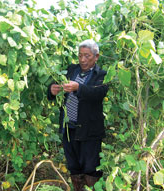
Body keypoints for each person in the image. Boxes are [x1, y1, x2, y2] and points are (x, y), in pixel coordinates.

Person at [47, 39, 108, 191]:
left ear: (96, 56)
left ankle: (91, 188)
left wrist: (78, 87)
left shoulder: (101, 75)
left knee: (90, 166)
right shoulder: (71, 69)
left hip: (90, 130)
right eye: (80, 55)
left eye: (87, 56)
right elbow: (56, 85)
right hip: (69, 128)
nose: (82, 59)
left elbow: (98, 93)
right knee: (74, 165)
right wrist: (52, 90)